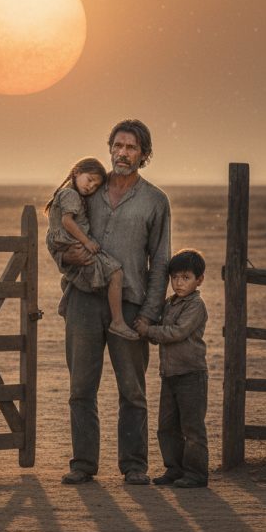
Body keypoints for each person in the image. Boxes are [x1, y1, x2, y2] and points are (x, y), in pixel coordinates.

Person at [52, 119, 171, 485]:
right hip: (83, 300)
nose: (122, 153)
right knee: (81, 388)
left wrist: (149, 314)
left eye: (131, 147)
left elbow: (161, 261)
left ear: (144, 155)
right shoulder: (88, 188)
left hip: (131, 305)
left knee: (132, 391)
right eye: (118, 145)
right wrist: (64, 258)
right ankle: (83, 464)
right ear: (109, 148)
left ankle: (134, 465)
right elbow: (58, 230)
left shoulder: (155, 201)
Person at [135, 249, 209, 488]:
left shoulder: (196, 306)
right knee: (167, 427)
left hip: (191, 374)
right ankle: (174, 469)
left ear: (199, 280)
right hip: (170, 375)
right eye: (175, 277)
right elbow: (161, 333)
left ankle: (196, 474)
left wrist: (149, 331)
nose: (178, 282)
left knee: (192, 427)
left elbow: (177, 332)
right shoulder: (169, 304)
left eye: (186, 277)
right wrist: (147, 330)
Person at [44, 157, 139, 339]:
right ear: (76, 172)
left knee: (92, 273)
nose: (90, 187)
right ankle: (118, 322)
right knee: (116, 273)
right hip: (75, 242)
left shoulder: (69, 194)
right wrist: (86, 242)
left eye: (95, 186)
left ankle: (68, 302)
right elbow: (67, 221)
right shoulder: (71, 195)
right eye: (89, 180)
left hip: (70, 243)